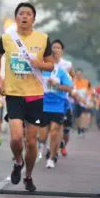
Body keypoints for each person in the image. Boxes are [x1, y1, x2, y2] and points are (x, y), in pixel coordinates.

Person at [0, 2, 54, 192]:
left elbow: (51, 65)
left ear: (34, 19)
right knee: (17, 137)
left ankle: (28, 176)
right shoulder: (7, 38)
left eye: (28, 14)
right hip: (14, 94)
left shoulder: (43, 39)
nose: (25, 17)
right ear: (16, 17)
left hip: (35, 96)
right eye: (21, 14)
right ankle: (18, 161)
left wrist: (40, 64)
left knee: (31, 141)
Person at [39, 40, 73, 169]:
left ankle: (52, 157)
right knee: (42, 136)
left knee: (54, 132)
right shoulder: (41, 71)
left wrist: (57, 85)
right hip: (43, 105)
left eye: (54, 57)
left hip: (58, 105)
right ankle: (47, 145)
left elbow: (70, 88)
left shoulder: (61, 72)